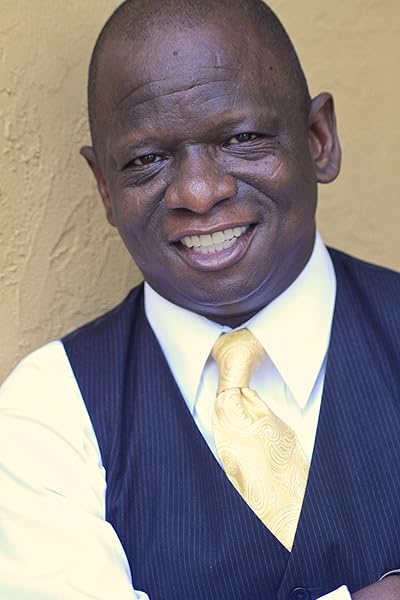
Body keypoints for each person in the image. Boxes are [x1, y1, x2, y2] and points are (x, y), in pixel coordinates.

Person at [0, 0, 399, 598]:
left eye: (241, 137)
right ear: (105, 186)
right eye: (146, 160)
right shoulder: (49, 414)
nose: (199, 191)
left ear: (318, 139)